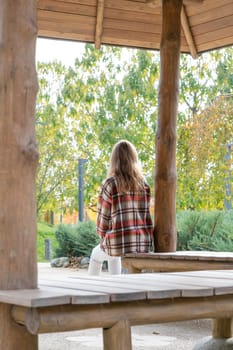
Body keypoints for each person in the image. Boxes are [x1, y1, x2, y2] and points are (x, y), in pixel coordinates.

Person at [88, 140, 153, 275]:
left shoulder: (110, 184)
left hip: (118, 243)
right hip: (141, 243)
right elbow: (146, 217)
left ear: (114, 160)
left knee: (97, 253)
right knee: (113, 251)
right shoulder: (144, 185)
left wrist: (103, 235)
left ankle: (89, 289)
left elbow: (103, 222)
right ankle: (116, 285)